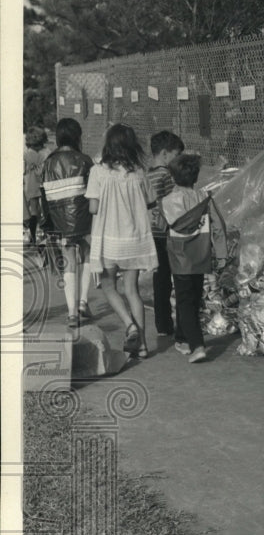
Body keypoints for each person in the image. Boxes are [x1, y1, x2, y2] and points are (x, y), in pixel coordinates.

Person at [86, 123, 158, 359]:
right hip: (135, 239)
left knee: (108, 286)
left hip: (109, 239)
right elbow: (150, 201)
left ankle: (130, 325)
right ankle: (144, 346)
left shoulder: (98, 172)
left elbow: (93, 207)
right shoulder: (139, 171)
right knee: (132, 290)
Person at [161, 154, 227, 364]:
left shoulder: (168, 201)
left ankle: (197, 345)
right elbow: (218, 226)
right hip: (201, 256)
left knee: (184, 301)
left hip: (180, 259)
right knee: (194, 298)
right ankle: (182, 338)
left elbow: (163, 226)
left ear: (173, 178)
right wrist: (222, 254)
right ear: (195, 177)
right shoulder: (204, 198)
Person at [40, 119, 95, 328]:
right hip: (82, 217)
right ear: (76, 137)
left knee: (68, 260)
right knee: (88, 252)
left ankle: (72, 313)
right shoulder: (84, 160)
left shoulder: (48, 163)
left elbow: (43, 195)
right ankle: (83, 302)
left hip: (59, 221)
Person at [148, 131, 185, 338]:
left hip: (154, 232)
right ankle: (182, 325)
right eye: (176, 154)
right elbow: (174, 201)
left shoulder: (149, 173)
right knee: (178, 279)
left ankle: (163, 325)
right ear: (164, 154)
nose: (178, 159)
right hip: (169, 232)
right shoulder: (166, 175)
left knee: (160, 281)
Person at [23, 126, 49, 248]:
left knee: (34, 211)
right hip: (41, 184)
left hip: (30, 184)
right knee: (43, 210)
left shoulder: (27, 153)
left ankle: (33, 237)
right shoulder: (44, 153)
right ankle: (42, 235)